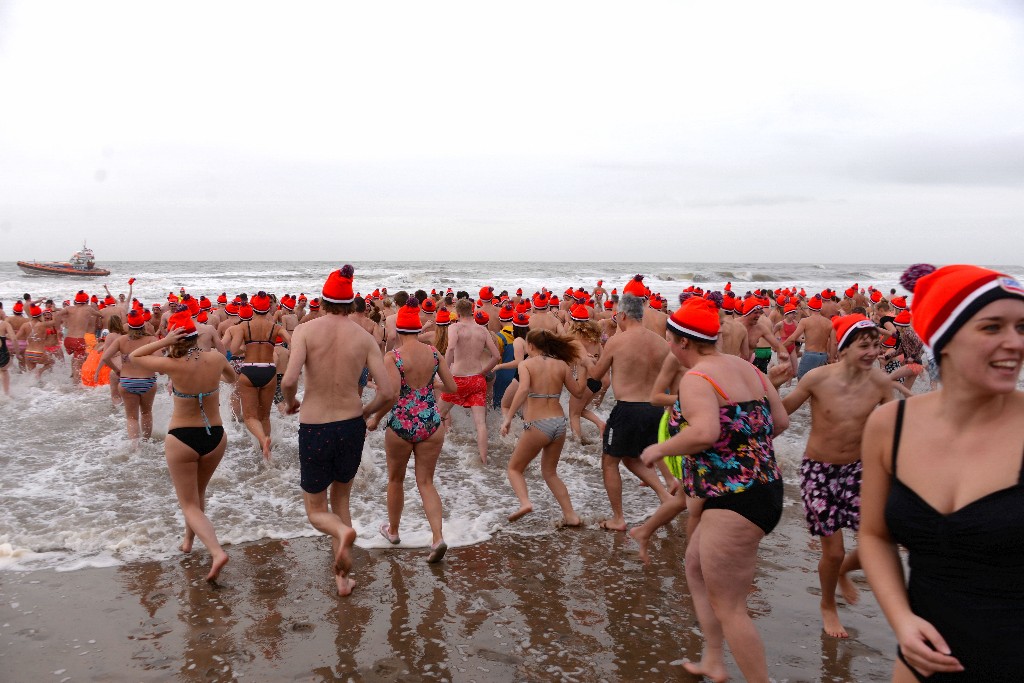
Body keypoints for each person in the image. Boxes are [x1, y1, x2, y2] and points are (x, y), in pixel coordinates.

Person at [860, 264, 1024, 682]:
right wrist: (902, 620)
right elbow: (875, 535)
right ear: (944, 338)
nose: (1015, 343)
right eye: (992, 327)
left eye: (1022, 327)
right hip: (921, 663)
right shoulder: (889, 426)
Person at [640, 296, 789, 683]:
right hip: (764, 488)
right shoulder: (746, 368)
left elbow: (705, 432)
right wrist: (741, 448)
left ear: (683, 342)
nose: (669, 346)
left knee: (731, 606)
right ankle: (712, 660)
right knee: (694, 565)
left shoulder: (696, 378)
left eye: (670, 339)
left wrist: (660, 448)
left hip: (735, 500)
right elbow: (781, 420)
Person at [281, 265, 394, 597]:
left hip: (315, 426)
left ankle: (344, 538)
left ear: (321, 301)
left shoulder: (305, 330)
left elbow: (288, 380)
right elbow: (387, 393)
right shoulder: (364, 338)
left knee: (317, 511)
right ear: (350, 304)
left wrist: (290, 402)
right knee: (341, 500)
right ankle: (343, 579)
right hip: (350, 426)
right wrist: (367, 414)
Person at [782, 314, 895, 638]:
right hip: (819, 470)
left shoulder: (880, 383)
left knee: (881, 540)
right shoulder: (817, 378)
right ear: (844, 348)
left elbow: (893, 429)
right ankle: (828, 605)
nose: (873, 352)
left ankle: (844, 570)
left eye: (876, 345)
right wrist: (773, 385)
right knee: (833, 551)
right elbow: (781, 413)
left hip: (861, 469)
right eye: (864, 346)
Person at [128, 311, 237, 582]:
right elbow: (232, 379)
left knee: (188, 503)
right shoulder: (215, 358)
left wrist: (165, 341)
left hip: (182, 437)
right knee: (198, 494)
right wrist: (210, 383)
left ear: (176, 337)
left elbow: (135, 357)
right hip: (216, 436)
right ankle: (188, 542)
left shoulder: (172, 364)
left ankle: (216, 551)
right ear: (195, 335)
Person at [368, 298, 457, 563]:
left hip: (401, 425)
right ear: (418, 329)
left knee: (396, 480)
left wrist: (374, 419)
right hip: (431, 422)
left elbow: (392, 395)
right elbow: (451, 388)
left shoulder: (393, 357)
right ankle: (437, 537)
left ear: (399, 331)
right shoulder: (432, 353)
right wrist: (428, 386)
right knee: (426, 483)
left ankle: (394, 532)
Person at [588, 291, 672, 532]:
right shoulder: (659, 342)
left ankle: (618, 518)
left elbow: (596, 378)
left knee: (609, 461)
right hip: (655, 409)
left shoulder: (617, 341)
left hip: (628, 409)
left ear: (622, 315)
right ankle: (665, 495)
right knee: (633, 457)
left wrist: (585, 364)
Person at [500, 329, 586, 525]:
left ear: (530, 346)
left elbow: (522, 390)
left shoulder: (526, 364)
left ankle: (525, 503)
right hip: (559, 424)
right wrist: (584, 368)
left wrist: (508, 418)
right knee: (550, 472)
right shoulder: (562, 365)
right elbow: (579, 393)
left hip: (537, 425)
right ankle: (571, 516)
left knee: (514, 469)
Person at [224, 294, 288, 461]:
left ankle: (262, 439)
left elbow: (233, 348)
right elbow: (292, 342)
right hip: (269, 370)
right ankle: (266, 454)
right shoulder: (275, 327)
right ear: (268, 308)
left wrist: (247, 350)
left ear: (252, 308)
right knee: (265, 415)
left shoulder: (244, 327)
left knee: (250, 416)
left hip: (250, 370)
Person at [438, 298, 499, 465]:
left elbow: (450, 348)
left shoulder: (455, 327)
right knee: (480, 423)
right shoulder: (482, 330)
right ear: (472, 311)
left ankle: (434, 453)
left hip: (457, 379)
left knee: (438, 415)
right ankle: (484, 460)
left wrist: (444, 370)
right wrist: (484, 371)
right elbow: (496, 356)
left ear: (457, 314)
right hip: (477, 379)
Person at [98, 309, 157, 443]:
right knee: (146, 413)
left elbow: (105, 357)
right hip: (147, 381)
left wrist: (117, 370)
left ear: (128, 326)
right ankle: (147, 442)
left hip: (127, 381)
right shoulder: (151, 339)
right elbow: (160, 358)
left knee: (132, 418)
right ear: (143, 325)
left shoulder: (121, 340)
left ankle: (135, 449)